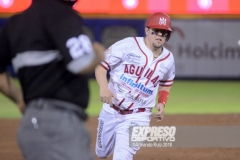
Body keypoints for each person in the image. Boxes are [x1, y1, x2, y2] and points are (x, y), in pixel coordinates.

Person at [0, 0, 105, 160]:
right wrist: (98, 54)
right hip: (57, 124)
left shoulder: (14, 24)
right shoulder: (61, 14)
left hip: (31, 123)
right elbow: (81, 63)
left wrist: (20, 98)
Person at [95, 12, 175, 159]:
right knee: (101, 153)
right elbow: (101, 66)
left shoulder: (168, 59)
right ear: (146, 30)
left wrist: (162, 102)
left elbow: (166, 83)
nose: (159, 35)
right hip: (111, 110)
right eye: (155, 31)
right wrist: (104, 87)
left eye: (163, 33)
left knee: (122, 157)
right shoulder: (127, 45)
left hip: (139, 116)